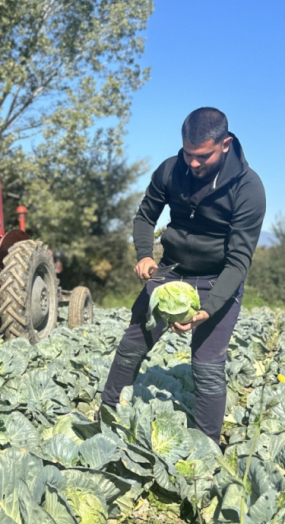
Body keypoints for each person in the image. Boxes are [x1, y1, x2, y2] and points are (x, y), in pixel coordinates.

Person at [100, 107, 266, 444]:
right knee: (131, 345)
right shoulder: (170, 170)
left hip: (218, 278)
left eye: (201, 156)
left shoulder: (249, 188)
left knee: (207, 367)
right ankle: (105, 416)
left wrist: (210, 307)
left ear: (225, 144)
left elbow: (238, 262)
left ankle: (205, 447)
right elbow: (145, 217)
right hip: (171, 273)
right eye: (188, 154)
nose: (192, 163)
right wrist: (145, 255)